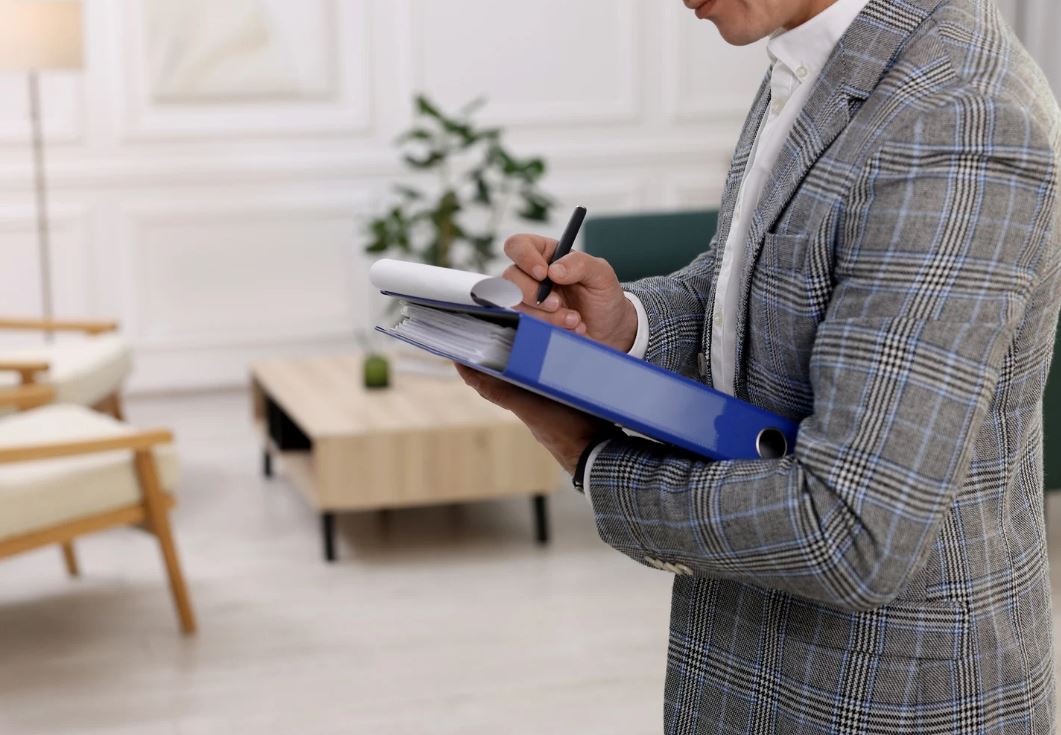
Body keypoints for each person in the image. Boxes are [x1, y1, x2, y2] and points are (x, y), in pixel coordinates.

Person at [458, 0, 1061, 731]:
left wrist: (585, 452)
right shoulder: (823, 52)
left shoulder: (959, 116)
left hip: (879, 700)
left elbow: (851, 531)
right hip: (755, 664)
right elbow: (753, 281)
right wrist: (622, 325)